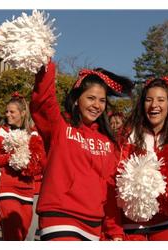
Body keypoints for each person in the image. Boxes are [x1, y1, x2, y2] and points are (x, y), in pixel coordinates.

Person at [30, 59, 133, 241]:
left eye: (102, 101)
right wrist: (46, 63)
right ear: (77, 99)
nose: (97, 105)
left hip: (94, 224)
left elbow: (109, 189)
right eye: (91, 98)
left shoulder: (108, 142)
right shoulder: (60, 127)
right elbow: (43, 102)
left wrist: (115, 230)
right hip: (60, 216)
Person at [103, 77, 168, 241]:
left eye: (161, 100)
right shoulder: (127, 136)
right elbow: (112, 183)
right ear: (142, 105)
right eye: (149, 99)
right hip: (132, 226)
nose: (154, 105)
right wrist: (115, 229)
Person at [0, 93, 46, 240]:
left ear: (23, 113)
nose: (7, 115)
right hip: (5, 188)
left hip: (27, 190)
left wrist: (30, 162)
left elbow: (42, 163)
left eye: (12, 112)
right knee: (13, 236)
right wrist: (11, 157)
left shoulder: (34, 134)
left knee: (23, 234)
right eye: (6, 111)